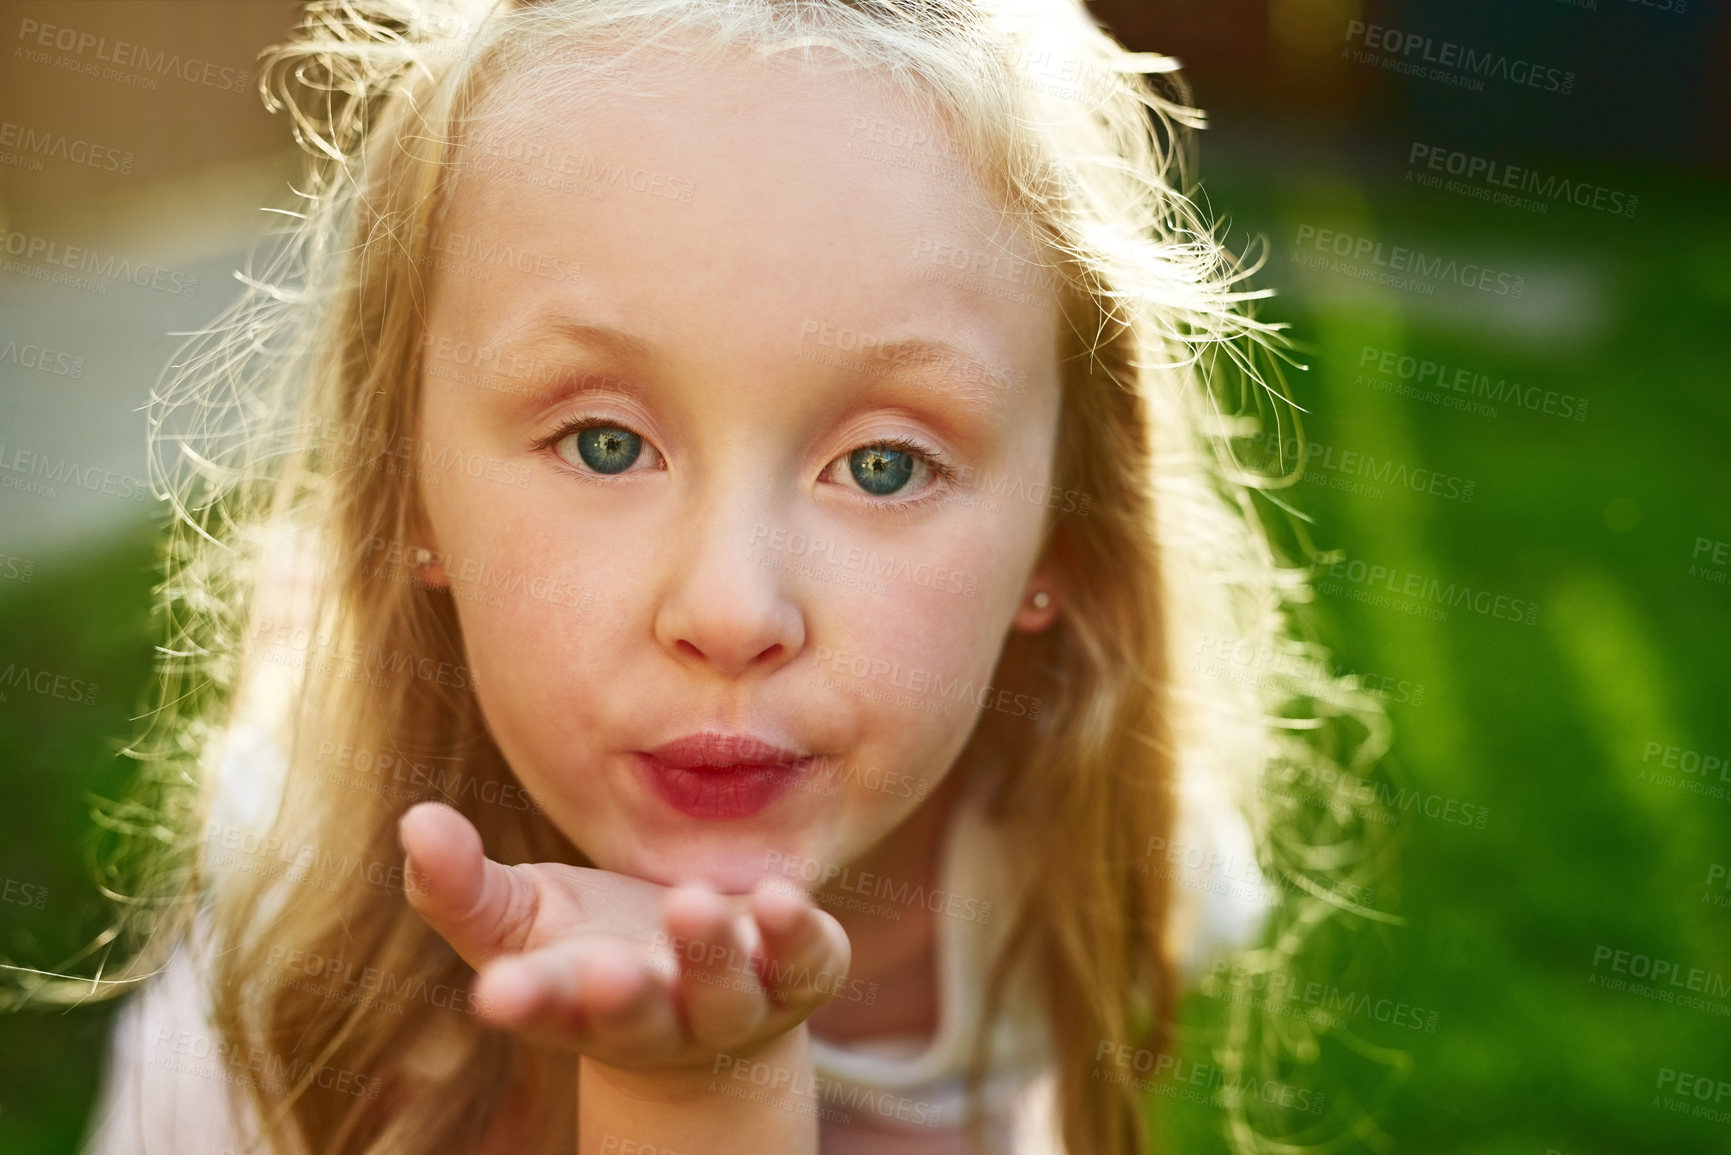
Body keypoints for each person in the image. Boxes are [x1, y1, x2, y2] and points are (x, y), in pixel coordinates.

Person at [51, 0, 1381, 1152]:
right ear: (410, 491)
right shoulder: (298, 951)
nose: (734, 612)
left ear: (1060, 541)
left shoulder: (1103, 876)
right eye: (605, 442)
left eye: (882, 466)